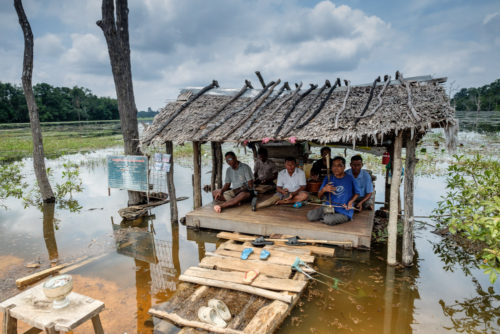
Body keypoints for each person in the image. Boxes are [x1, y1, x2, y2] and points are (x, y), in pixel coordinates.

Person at [307, 156, 360, 225]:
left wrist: (351, 202)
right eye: (334, 166)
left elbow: (357, 193)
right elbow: (319, 196)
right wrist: (324, 189)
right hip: (329, 207)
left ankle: (327, 217)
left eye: (339, 166)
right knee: (310, 216)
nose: (336, 168)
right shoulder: (328, 178)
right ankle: (326, 216)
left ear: (344, 167)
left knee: (328, 219)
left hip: (344, 210)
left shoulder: (350, 178)